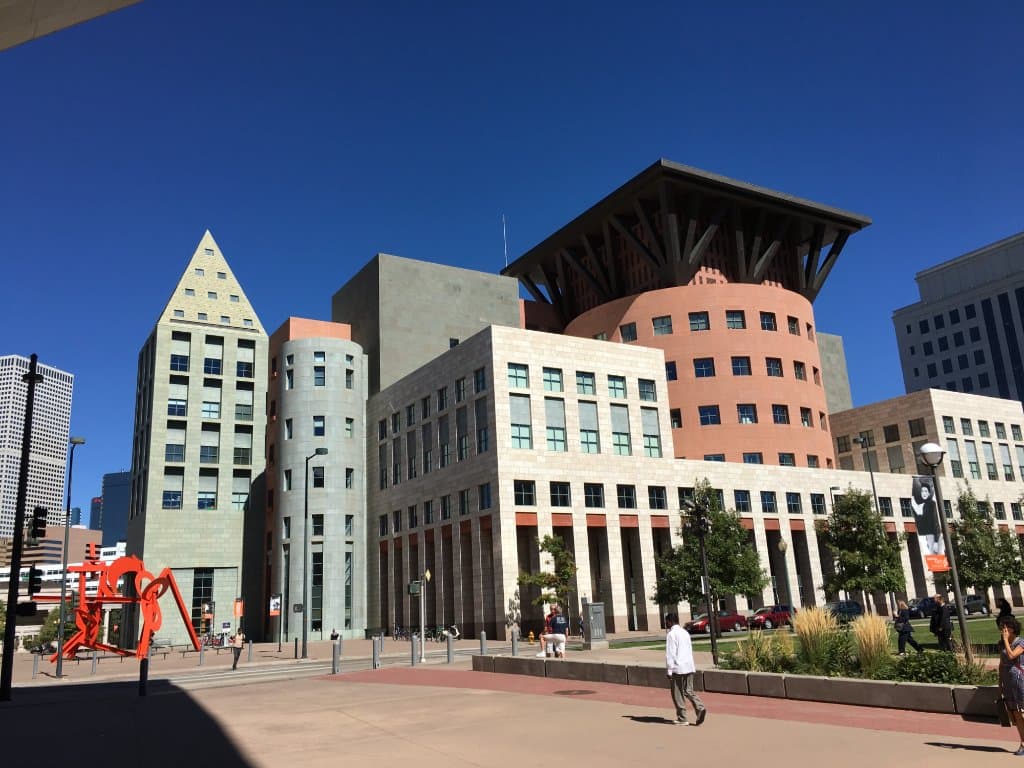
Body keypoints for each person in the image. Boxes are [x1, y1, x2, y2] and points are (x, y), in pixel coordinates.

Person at [665, 613, 707, 726]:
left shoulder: (671, 634)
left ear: (669, 622)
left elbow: (670, 653)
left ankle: (682, 718)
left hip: (678, 667)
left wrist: (669, 670)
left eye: (666, 622)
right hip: (689, 665)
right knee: (688, 690)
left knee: (677, 693)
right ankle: (700, 707)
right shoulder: (685, 632)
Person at [999, 616, 1024, 755]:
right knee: (1015, 713)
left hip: (1021, 680)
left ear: (1012, 629)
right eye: (1001, 628)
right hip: (1008, 681)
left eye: (1005, 627)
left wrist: (1005, 641)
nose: (1002, 630)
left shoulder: (1021, 642)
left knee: (1023, 712)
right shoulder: (1001, 644)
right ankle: (1023, 743)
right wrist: (999, 683)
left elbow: (1012, 655)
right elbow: (1001, 664)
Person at [911, 477, 944, 555]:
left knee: (935, 556)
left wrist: (936, 541)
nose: (924, 493)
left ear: (929, 493)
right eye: (922, 491)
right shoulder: (924, 505)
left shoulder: (931, 504)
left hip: (933, 536)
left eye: (926, 491)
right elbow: (922, 520)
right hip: (927, 536)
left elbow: (935, 522)